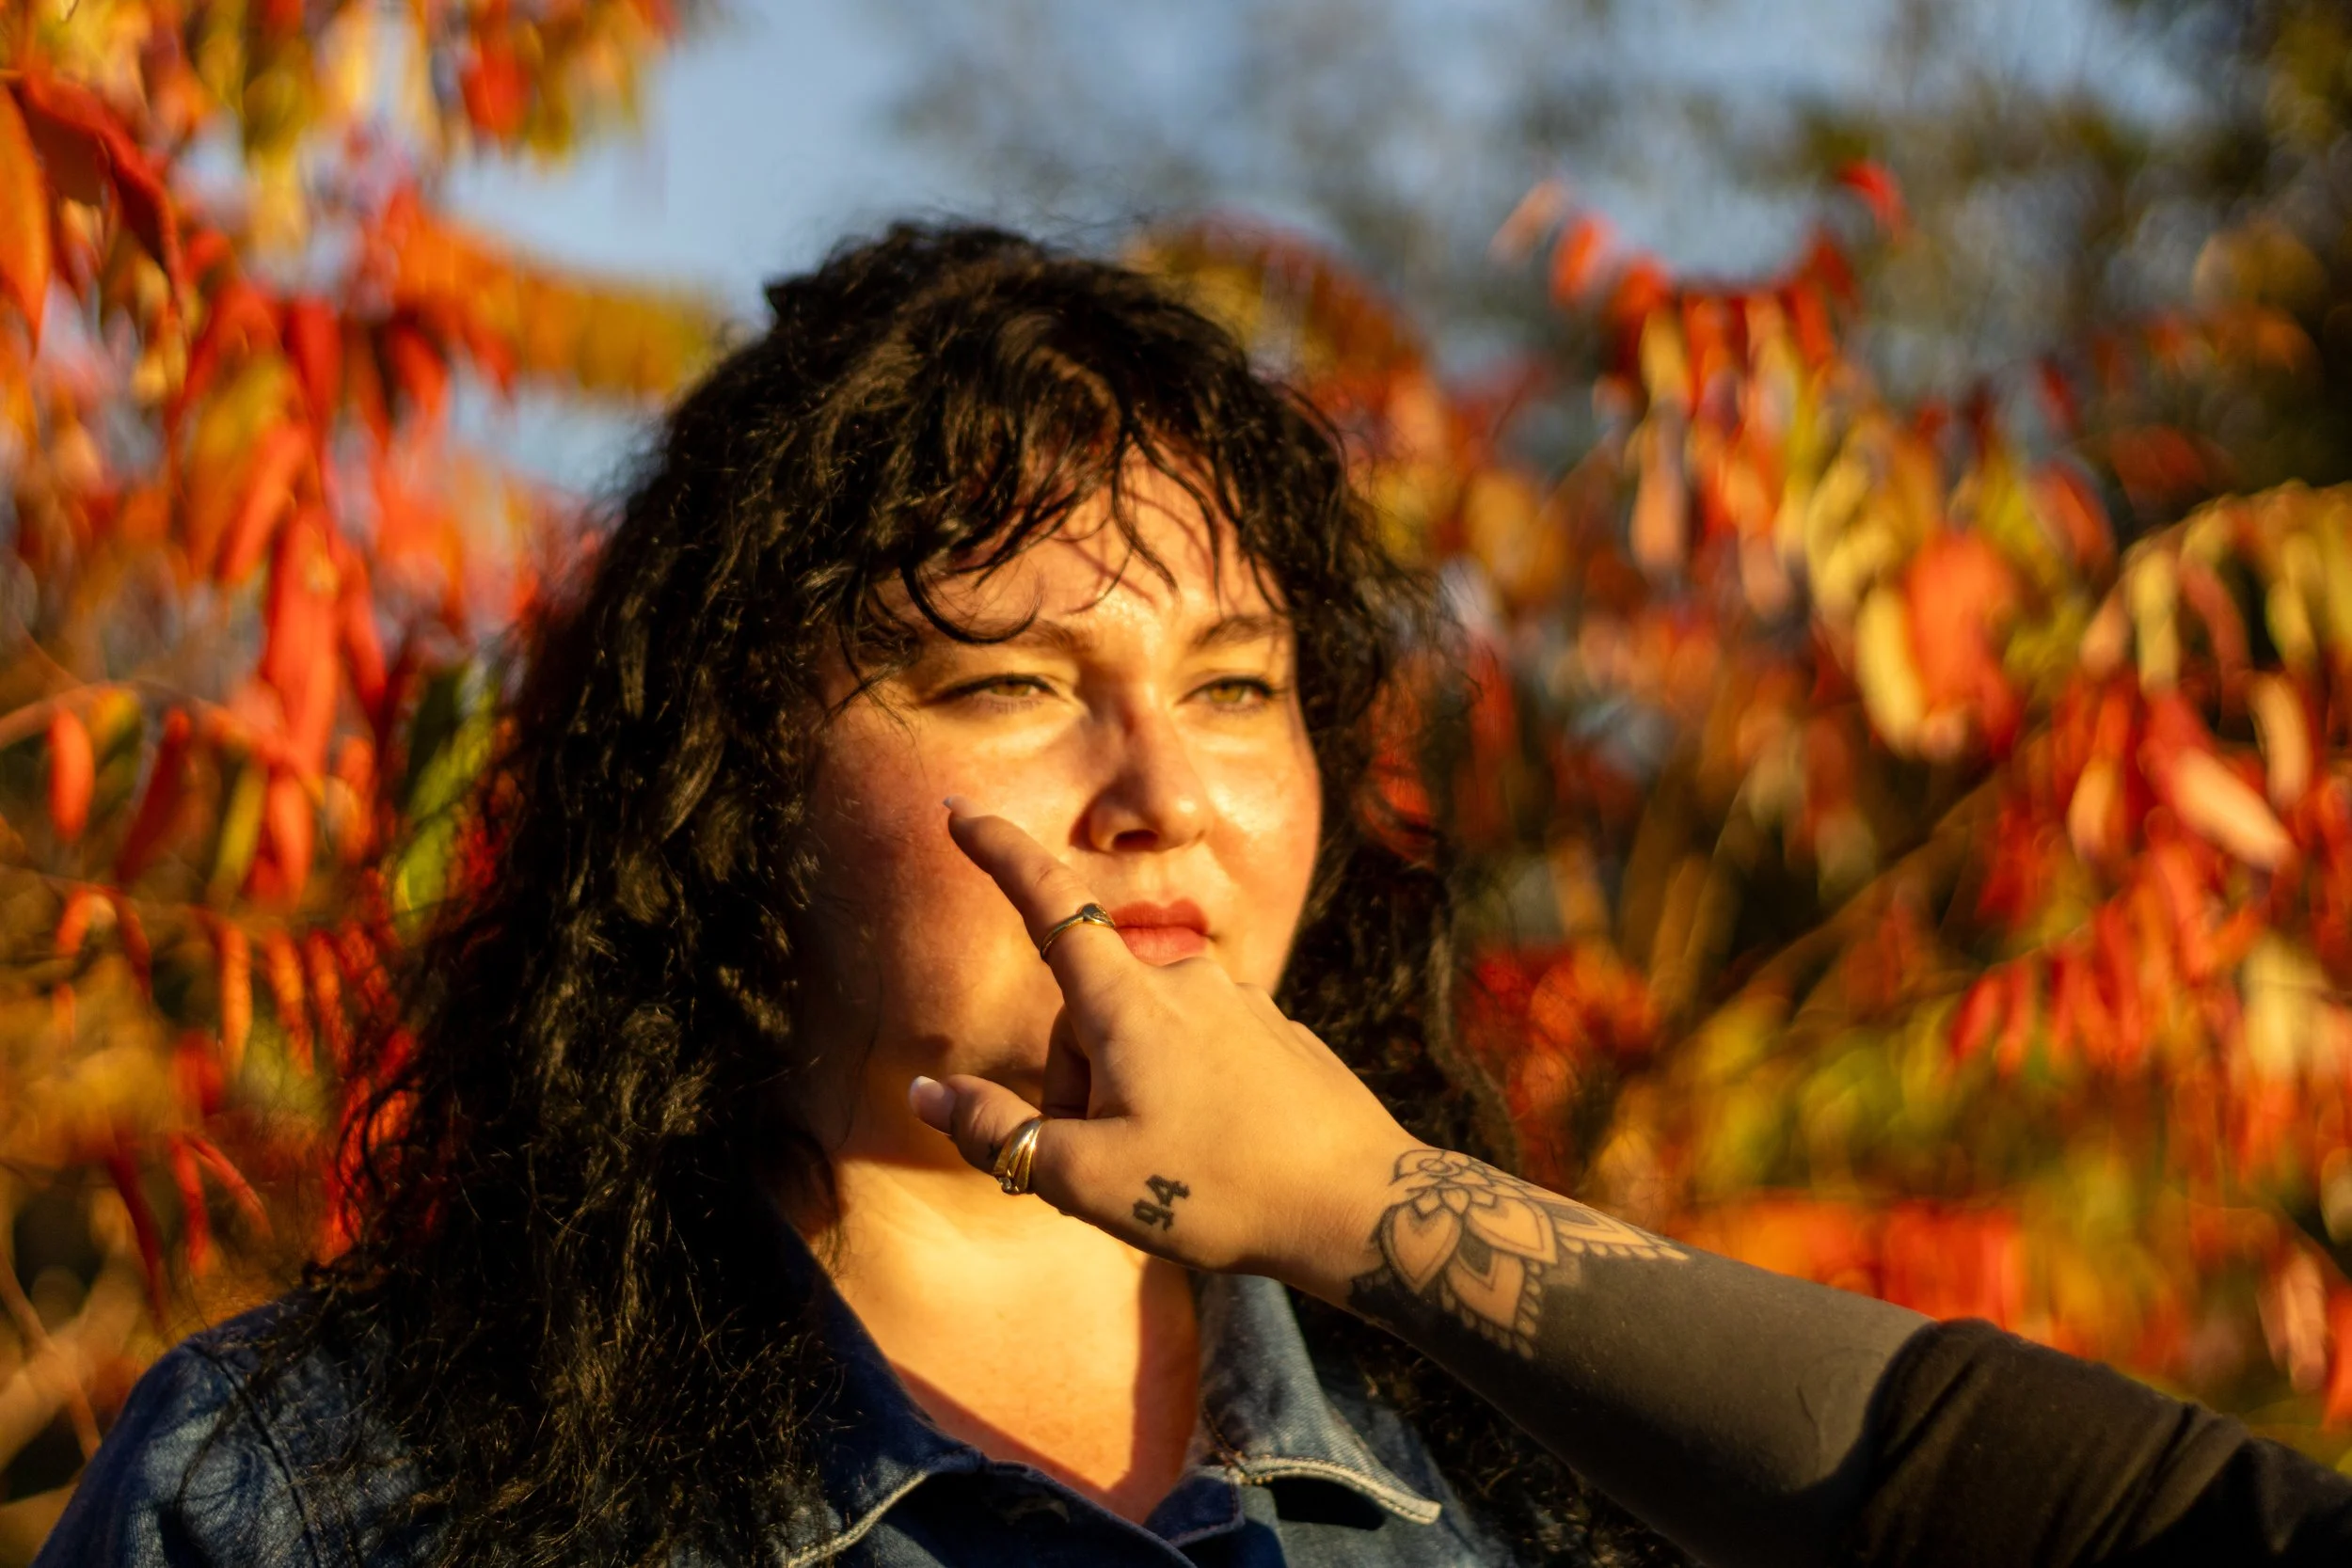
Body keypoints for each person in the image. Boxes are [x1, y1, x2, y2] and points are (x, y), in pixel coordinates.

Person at [34, 224, 2352, 1568]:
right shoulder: (327, 1480)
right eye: (1010, 679)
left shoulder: (1554, 1475)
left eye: (1237, 685)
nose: (1163, 786)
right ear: (734, 788)